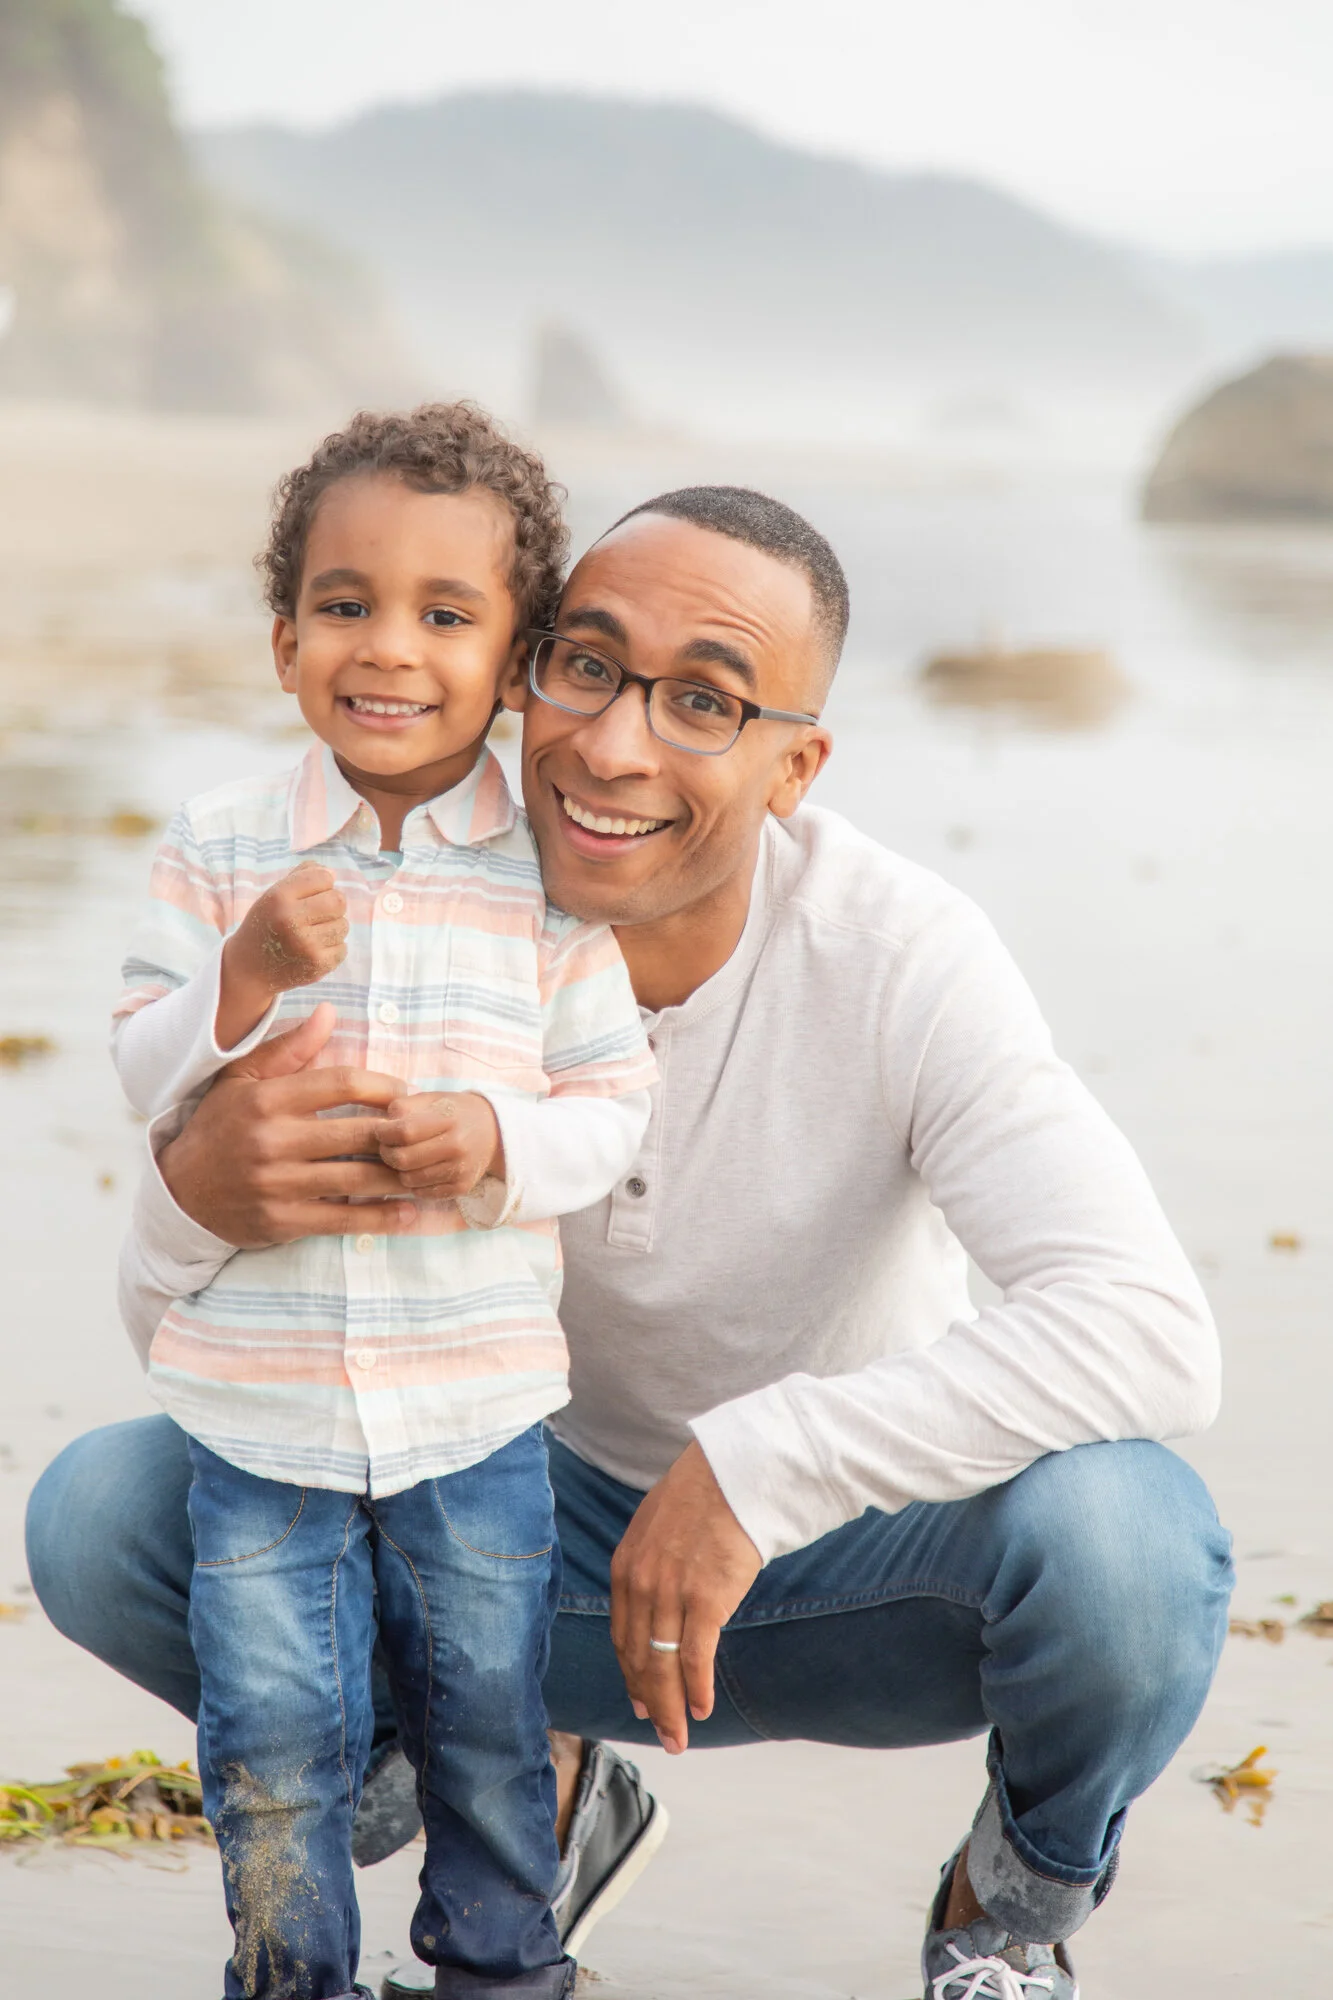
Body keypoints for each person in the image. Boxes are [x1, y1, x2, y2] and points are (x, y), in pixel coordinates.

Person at [28, 481, 1233, 2000]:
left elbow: (1149, 1330)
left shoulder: (902, 957)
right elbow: (188, 1341)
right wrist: (195, 1195)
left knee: (1133, 1545)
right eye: (585, 667)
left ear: (795, 766)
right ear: (521, 674)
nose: (611, 746)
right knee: (103, 1514)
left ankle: (1002, 1918)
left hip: (850, 1567)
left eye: (705, 701)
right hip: (489, 1545)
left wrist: (759, 1465)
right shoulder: (377, 919)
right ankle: (515, 1796)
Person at [104, 402, 657, 2000]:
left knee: (486, 1721)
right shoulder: (221, 848)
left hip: (475, 1414)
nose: (389, 647)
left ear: (518, 662)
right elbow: (141, 1070)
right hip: (257, 1414)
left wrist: (491, 1139)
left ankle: (502, 1966)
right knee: (272, 1738)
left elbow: (612, 1108)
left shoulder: (549, 879)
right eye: (345, 605)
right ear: (286, 641)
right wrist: (244, 974)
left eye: (445, 614)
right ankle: (291, 1975)